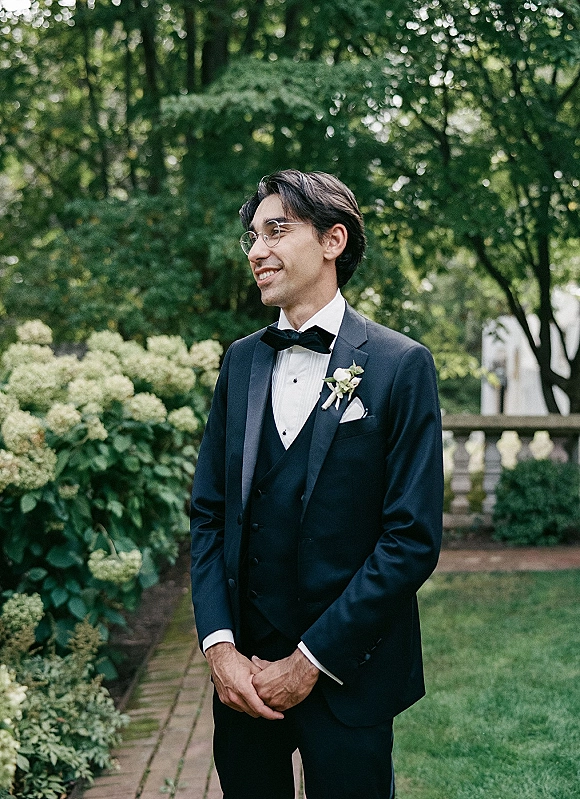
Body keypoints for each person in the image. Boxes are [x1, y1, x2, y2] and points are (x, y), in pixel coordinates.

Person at [190, 169, 443, 799]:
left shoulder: (400, 365)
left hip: (350, 675)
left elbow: (411, 538)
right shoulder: (240, 361)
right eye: (252, 236)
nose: (257, 250)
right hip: (244, 682)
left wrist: (310, 662)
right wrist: (220, 648)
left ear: (333, 240)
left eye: (276, 230)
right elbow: (209, 515)